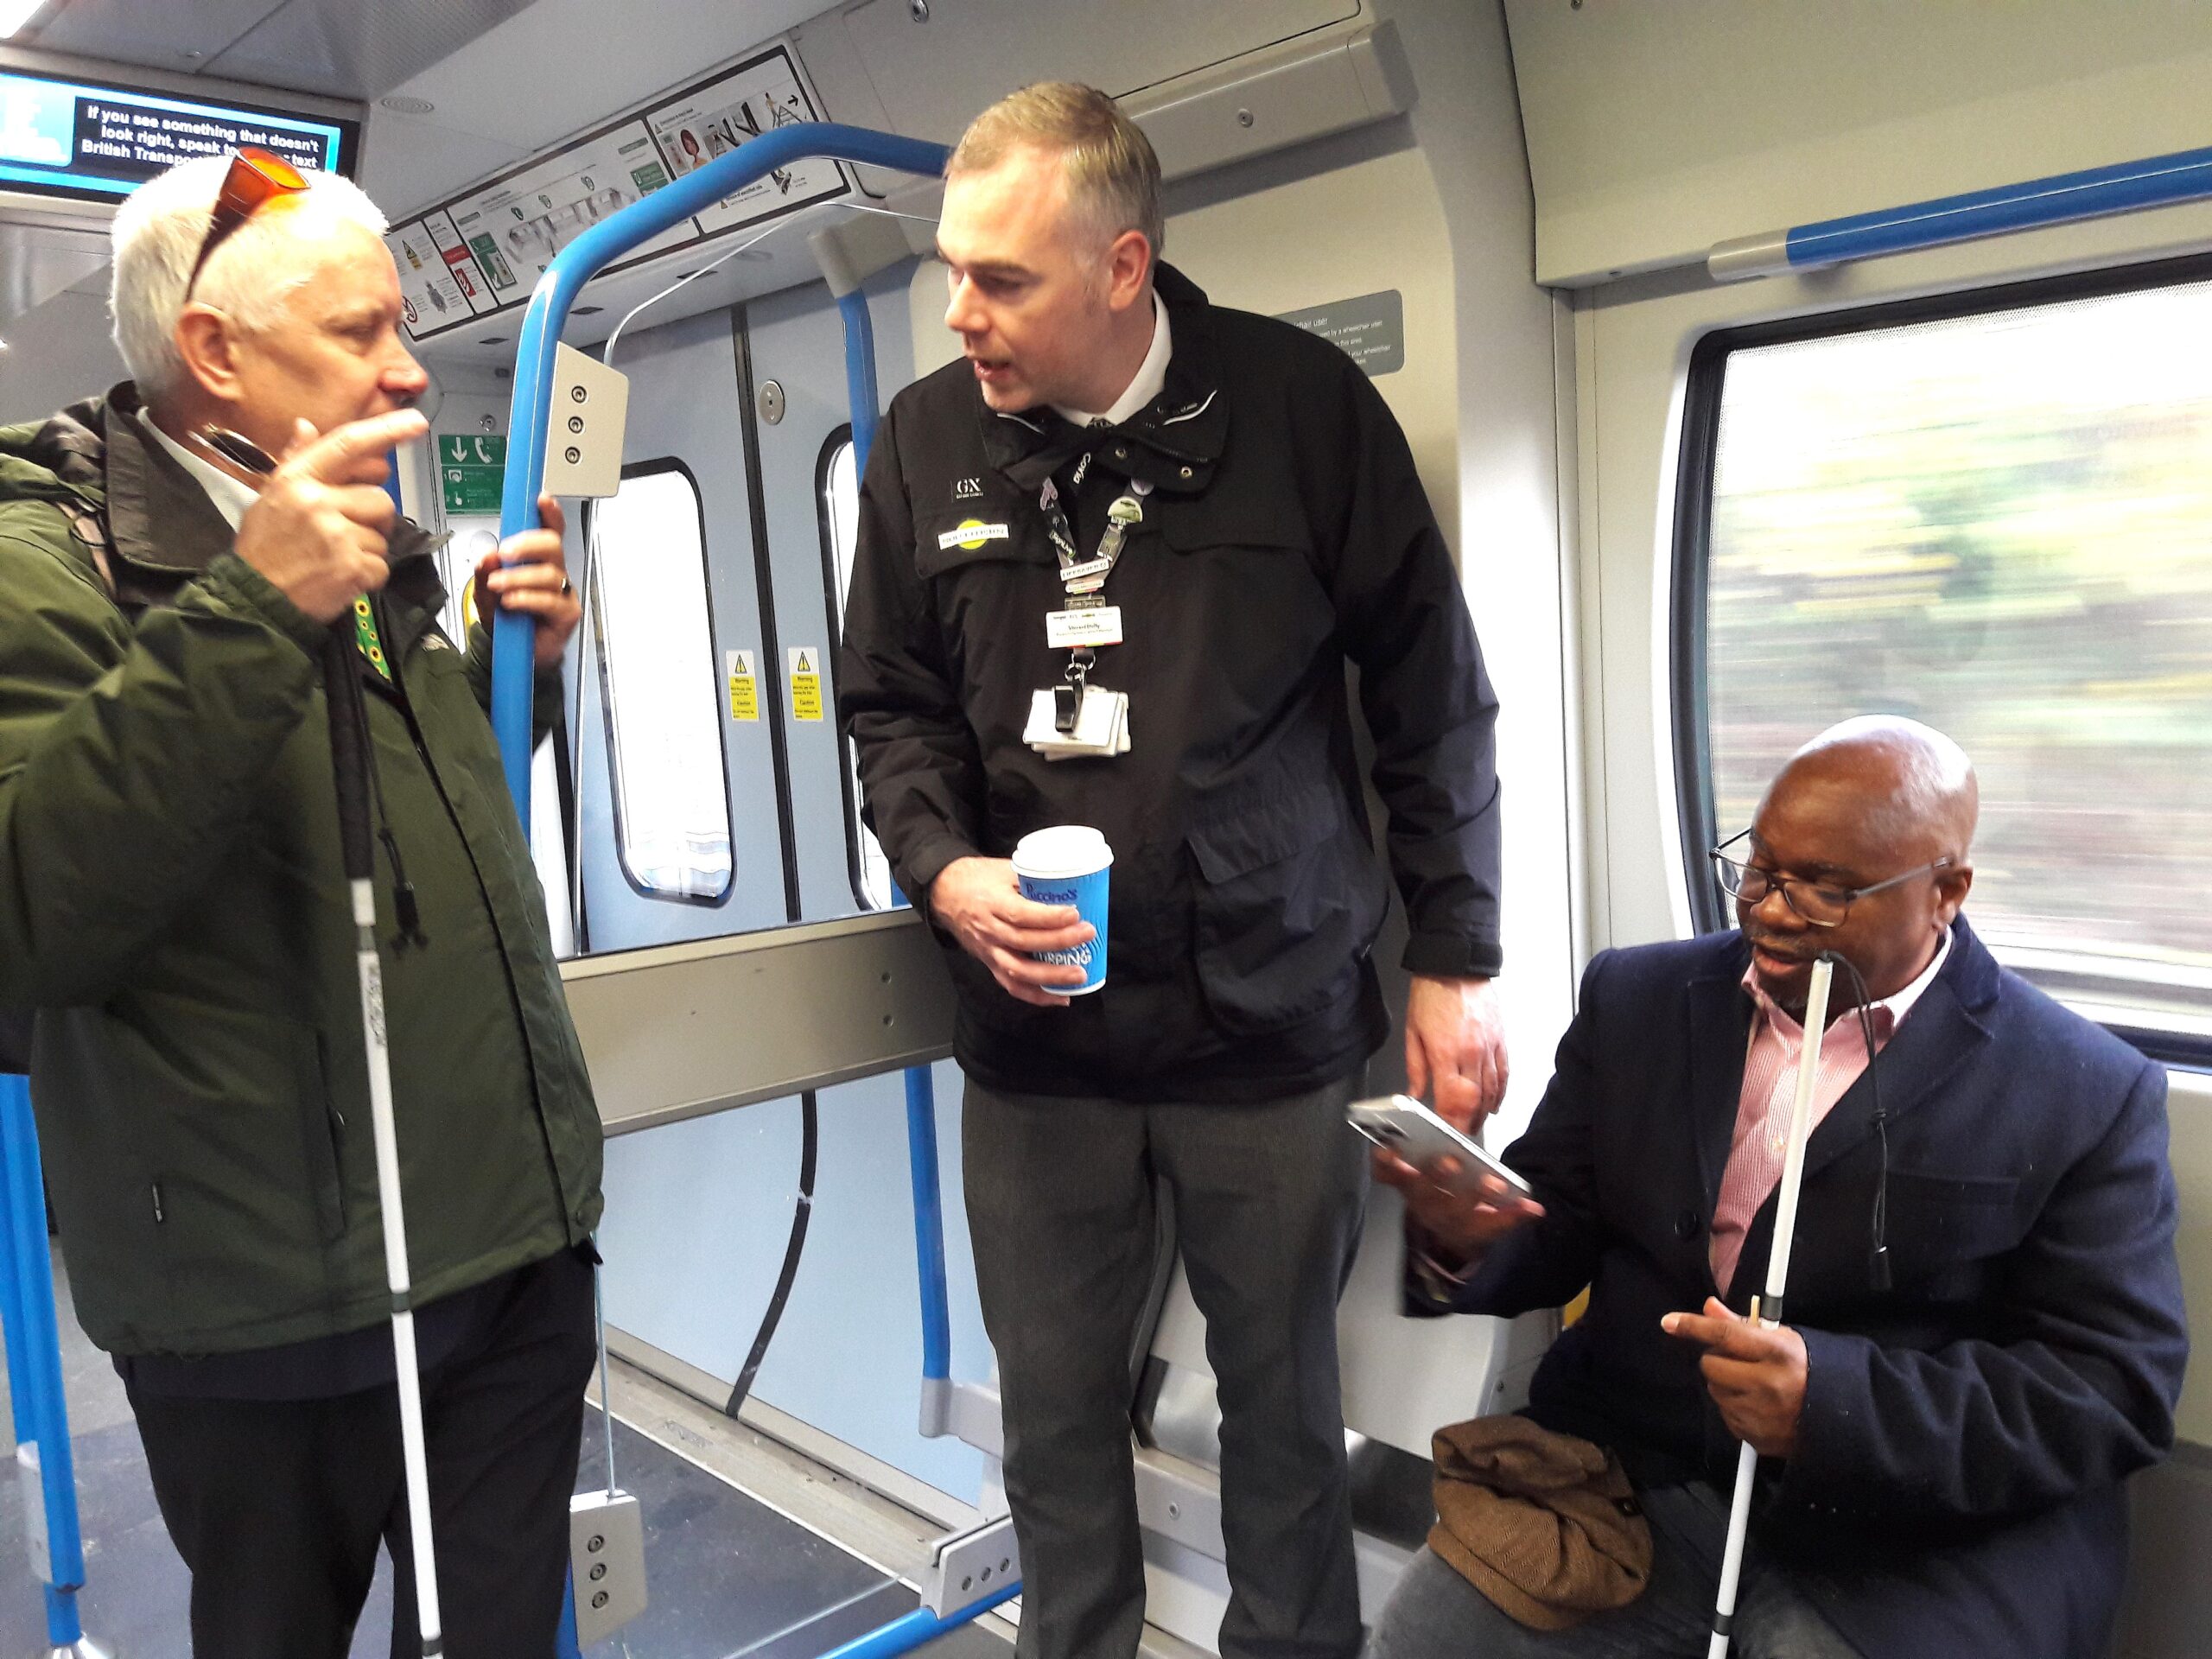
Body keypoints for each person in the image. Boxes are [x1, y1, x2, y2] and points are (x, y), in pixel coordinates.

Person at [839, 84, 1507, 1659]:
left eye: (1002, 280)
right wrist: (941, 873)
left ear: (1123, 267)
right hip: (1037, 1044)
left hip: (1267, 1026)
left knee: (1285, 1426)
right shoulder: (932, 437)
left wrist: (1455, 959)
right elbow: (892, 707)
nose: (964, 314)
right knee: (1056, 1430)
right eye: (954, 271)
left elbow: (1431, 699)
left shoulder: (1303, 411)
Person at [0, 150, 603, 1655]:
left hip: (506, 1252)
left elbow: (383, 825)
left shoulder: (370, 541)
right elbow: (34, 908)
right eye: (361, 332)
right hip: (266, 1309)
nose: (405, 367)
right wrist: (253, 606)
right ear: (214, 354)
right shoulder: (40, 557)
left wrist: (501, 679)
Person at [1370, 717, 2187, 1659]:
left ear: (1944, 892)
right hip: (1635, 1475)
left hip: (1906, 1535)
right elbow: (1558, 1219)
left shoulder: (2077, 1088)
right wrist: (1463, 1233)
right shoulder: (1637, 999)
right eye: (1757, 869)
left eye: (1827, 890)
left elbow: (2110, 1388)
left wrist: (1831, 1403)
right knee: (1423, 1637)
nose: (1769, 909)